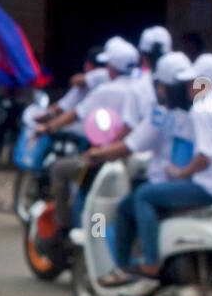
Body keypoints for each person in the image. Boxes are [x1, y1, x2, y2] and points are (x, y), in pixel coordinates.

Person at [129, 53, 212, 278]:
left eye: (192, 82)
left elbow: (204, 157)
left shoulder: (202, 108)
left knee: (143, 196)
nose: (189, 87)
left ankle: (150, 262)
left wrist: (181, 173)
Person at [86, 50, 194, 286]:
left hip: (167, 185)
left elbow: (129, 143)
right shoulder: (202, 111)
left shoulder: (162, 114)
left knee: (128, 207)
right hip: (196, 185)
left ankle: (125, 267)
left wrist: (97, 153)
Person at [37, 37, 146, 233]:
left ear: (112, 67)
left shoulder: (106, 90)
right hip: (138, 160)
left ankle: (66, 228)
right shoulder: (145, 86)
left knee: (60, 170)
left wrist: (48, 128)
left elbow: (75, 114)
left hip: (110, 156)